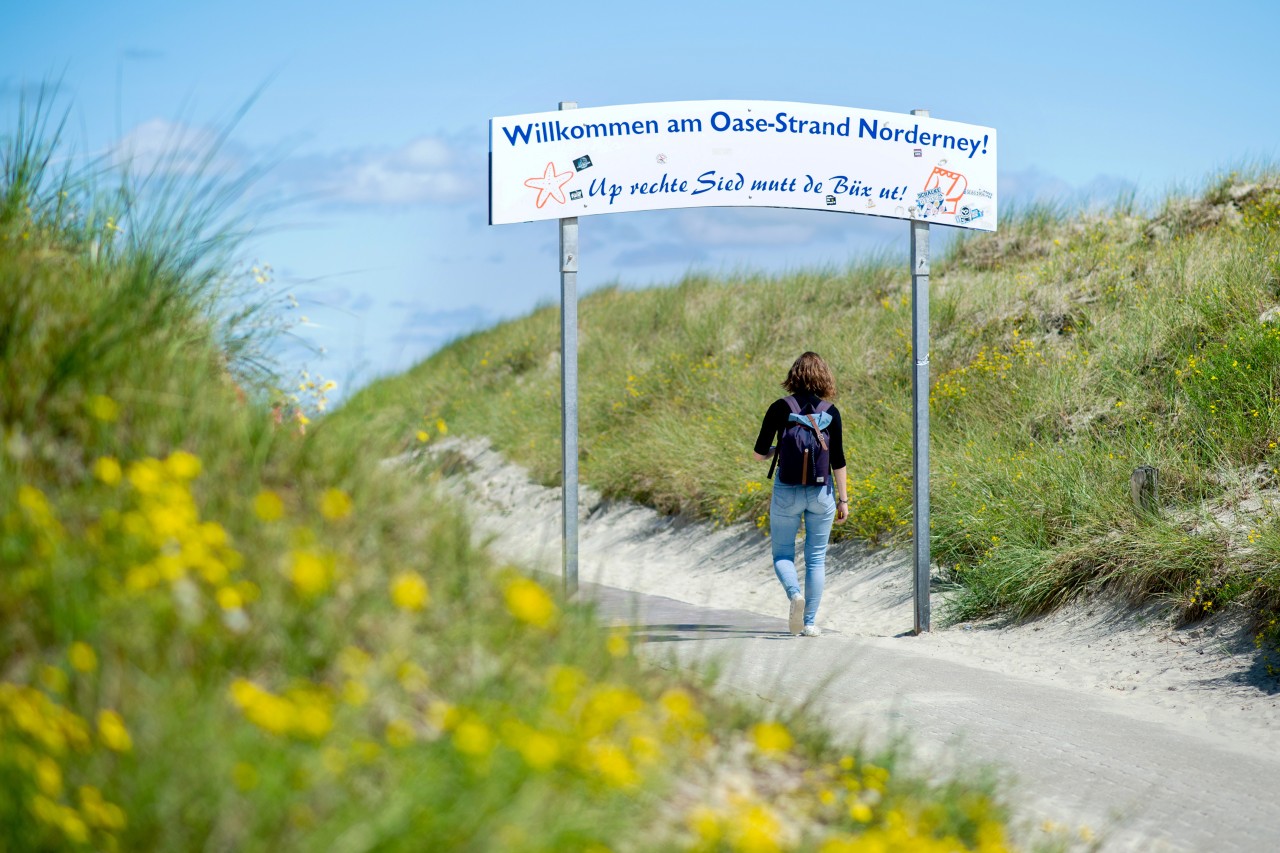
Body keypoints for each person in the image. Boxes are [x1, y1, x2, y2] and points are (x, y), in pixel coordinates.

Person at [752, 352, 848, 636]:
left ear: (794, 376)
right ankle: (809, 623)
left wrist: (778, 450)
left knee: (782, 553)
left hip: (787, 491)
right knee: (816, 558)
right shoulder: (831, 412)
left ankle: (794, 594)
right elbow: (838, 460)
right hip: (821, 492)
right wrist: (843, 499)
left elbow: (759, 454)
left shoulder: (780, 407)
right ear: (824, 377)